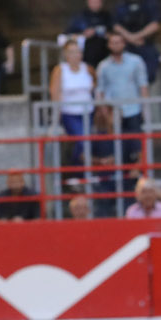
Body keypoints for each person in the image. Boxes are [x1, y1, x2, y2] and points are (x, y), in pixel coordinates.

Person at [95, 31, 149, 197]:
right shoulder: (104, 66)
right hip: (113, 112)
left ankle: (137, 182)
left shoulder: (135, 61)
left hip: (133, 110)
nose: (116, 45)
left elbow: (143, 85)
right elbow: (100, 90)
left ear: (124, 43)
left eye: (119, 42)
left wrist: (145, 109)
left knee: (137, 146)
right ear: (109, 45)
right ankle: (120, 186)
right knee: (117, 148)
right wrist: (105, 112)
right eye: (113, 42)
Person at [50, 40, 95, 197]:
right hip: (69, 112)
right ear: (65, 54)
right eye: (71, 52)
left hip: (88, 112)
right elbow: (55, 93)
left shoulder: (87, 68)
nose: (75, 55)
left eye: (77, 51)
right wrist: (55, 119)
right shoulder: (60, 70)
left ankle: (80, 175)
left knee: (85, 144)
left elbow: (95, 88)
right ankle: (76, 175)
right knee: (81, 141)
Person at [113, 0, 161, 85]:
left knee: (149, 77)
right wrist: (130, 38)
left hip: (147, 45)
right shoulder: (121, 5)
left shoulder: (151, 3)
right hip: (127, 47)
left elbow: (155, 24)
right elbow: (116, 25)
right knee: (126, 78)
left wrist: (137, 36)